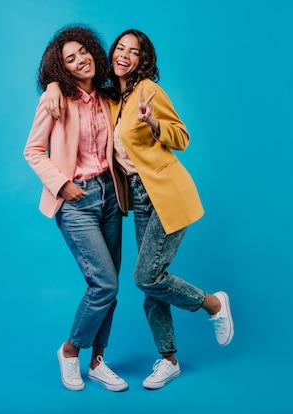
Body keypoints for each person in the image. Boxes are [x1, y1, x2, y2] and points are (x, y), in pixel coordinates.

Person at [44, 29, 234, 390]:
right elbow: (73, 78)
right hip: (137, 198)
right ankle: (169, 360)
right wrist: (53, 84)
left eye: (134, 52)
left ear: (142, 60)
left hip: (165, 193)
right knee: (151, 285)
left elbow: (182, 137)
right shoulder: (112, 97)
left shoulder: (148, 90)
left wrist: (153, 122)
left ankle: (212, 304)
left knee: (146, 277)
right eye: (120, 48)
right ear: (111, 54)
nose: (124, 55)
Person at [23, 25, 128, 392]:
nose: (80, 59)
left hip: (110, 197)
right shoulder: (55, 100)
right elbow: (33, 151)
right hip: (77, 201)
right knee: (104, 283)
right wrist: (62, 184)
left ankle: (99, 361)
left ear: (94, 54)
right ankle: (70, 351)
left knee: (111, 288)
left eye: (83, 52)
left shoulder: (107, 96)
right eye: (70, 58)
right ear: (61, 69)